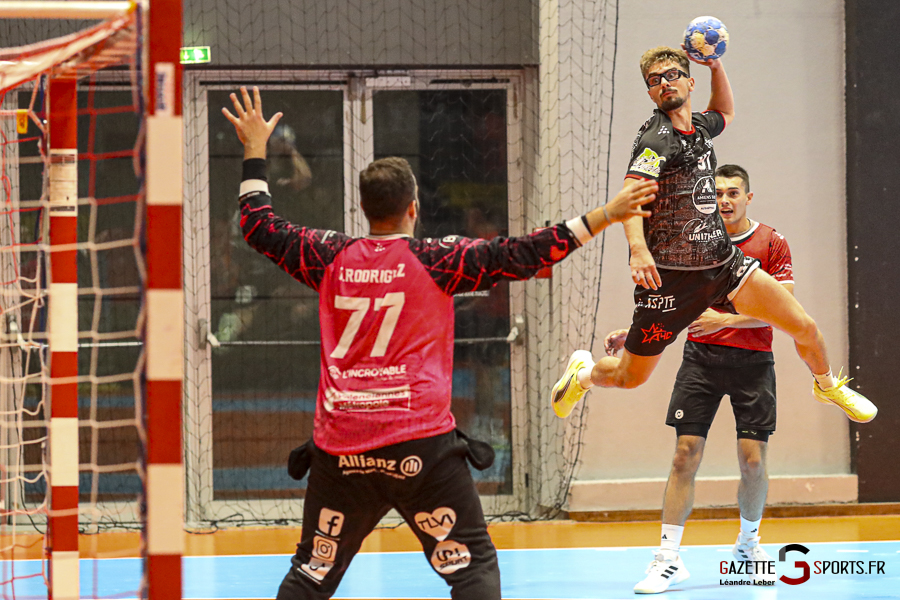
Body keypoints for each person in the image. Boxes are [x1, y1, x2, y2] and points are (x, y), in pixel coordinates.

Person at [222, 86, 658, 600]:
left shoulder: (328, 255)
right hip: (420, 449)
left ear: (364, 209)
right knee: (472, 573)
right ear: (414, 207)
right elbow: (525, 254)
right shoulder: (436, 259)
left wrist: (254, 148)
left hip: (341, 449)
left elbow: (257, 224)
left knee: (310, 574)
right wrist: (606, 215)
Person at [550, 46, 876, 427]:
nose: (664, 83)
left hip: (723, 265)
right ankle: (583, 374)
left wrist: (716, 65)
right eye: (654, 81)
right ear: (651, 94)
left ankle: (826, 385)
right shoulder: (657, 140)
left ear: (689, 81)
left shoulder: (700, 126)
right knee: (629, 377)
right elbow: (631, 196)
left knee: (804, 326)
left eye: (672, 75)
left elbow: (725, 112)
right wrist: (638, 249)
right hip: (670, 279)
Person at [606, 164, 786, 593]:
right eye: (719, 193)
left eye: (733, 193)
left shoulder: (771, 242)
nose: (725, 200)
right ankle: (668, 559)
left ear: (748, 197)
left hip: (753, 363)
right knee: (684, 454)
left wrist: (728, 320)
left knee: (753, 461)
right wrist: (633, 335)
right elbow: (669, 302)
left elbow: (785, 305)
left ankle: (748, 544)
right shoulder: (695, 243)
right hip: (701, 361)